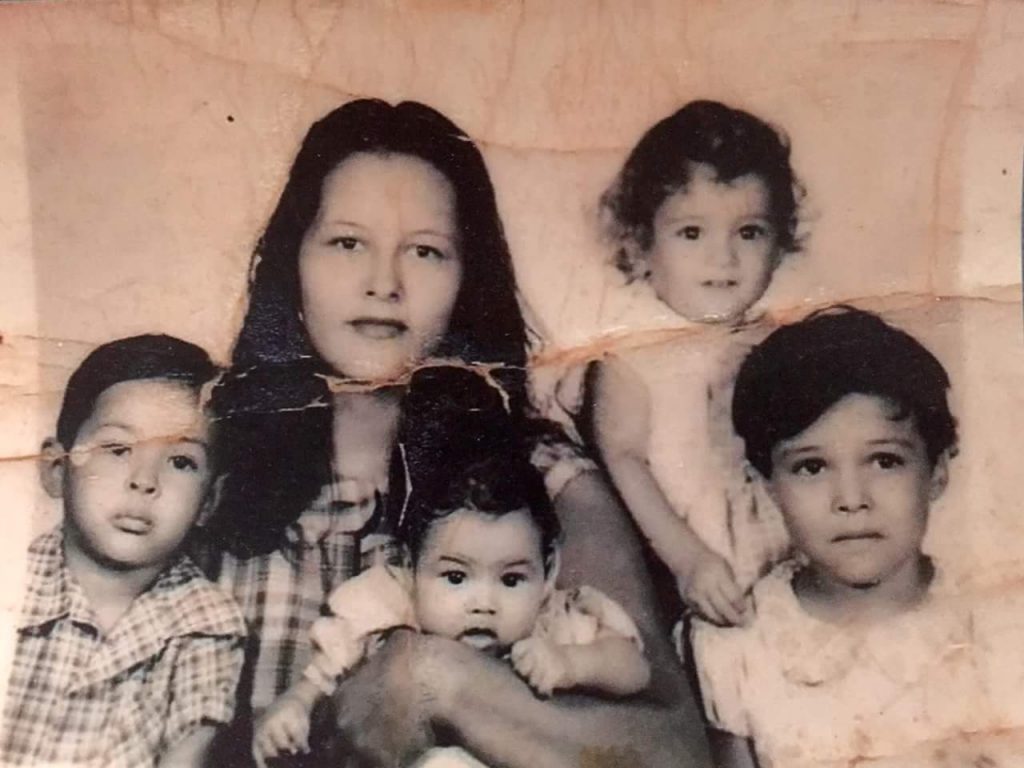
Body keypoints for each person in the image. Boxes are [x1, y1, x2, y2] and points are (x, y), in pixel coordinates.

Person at [198, 98, 711, 767]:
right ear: (292, 263)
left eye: (426, 251)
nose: (384, 284)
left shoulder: (544, 475)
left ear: (468, 279)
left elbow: (677, 753)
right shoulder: (204, 460)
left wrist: (433, 681)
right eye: (347, 243)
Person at [693, 307, 1024, 767]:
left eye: (885, 461)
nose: (851, 499)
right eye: (811, 467)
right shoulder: (740, 649)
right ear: (767, 482)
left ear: (938, 471)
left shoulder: (999, 630)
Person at [255, 451, 650, 764]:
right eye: (456, 578)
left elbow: (634, 669)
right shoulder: (391, 602)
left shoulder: (555, 623)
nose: (483, 604)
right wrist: (294, 706)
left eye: (511, 580)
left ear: (548, 574)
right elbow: (323, 674)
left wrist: (571, 665)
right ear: (411, 569)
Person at [585, 100, 801, 625]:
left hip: (791, 564)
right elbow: (625, 460)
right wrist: (688, 561)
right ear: (640, 245)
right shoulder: (632, 356)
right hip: (690, 572)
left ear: (779, 244)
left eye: (749, 232)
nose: (722, 259)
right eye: (691, 233)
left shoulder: (785, 346)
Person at [2, 335, 246, 767]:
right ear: (56, 470)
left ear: (209, 501)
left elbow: (189, 755)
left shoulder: (206, 622)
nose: (144, 480)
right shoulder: (11, 581)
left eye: (180, 461)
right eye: (117, 449)